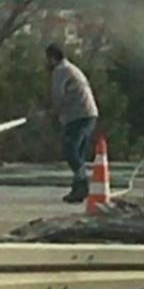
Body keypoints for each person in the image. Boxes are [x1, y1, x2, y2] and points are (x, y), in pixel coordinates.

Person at [46, 43, 99, 203]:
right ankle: (78, 190)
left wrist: (51, 112)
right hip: (89, 114)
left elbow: (58, 96)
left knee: (71, 151)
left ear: (52, 58)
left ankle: (82, 184)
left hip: (78, 115)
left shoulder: (60, 71)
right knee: (78, 153)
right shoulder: (71, 68)